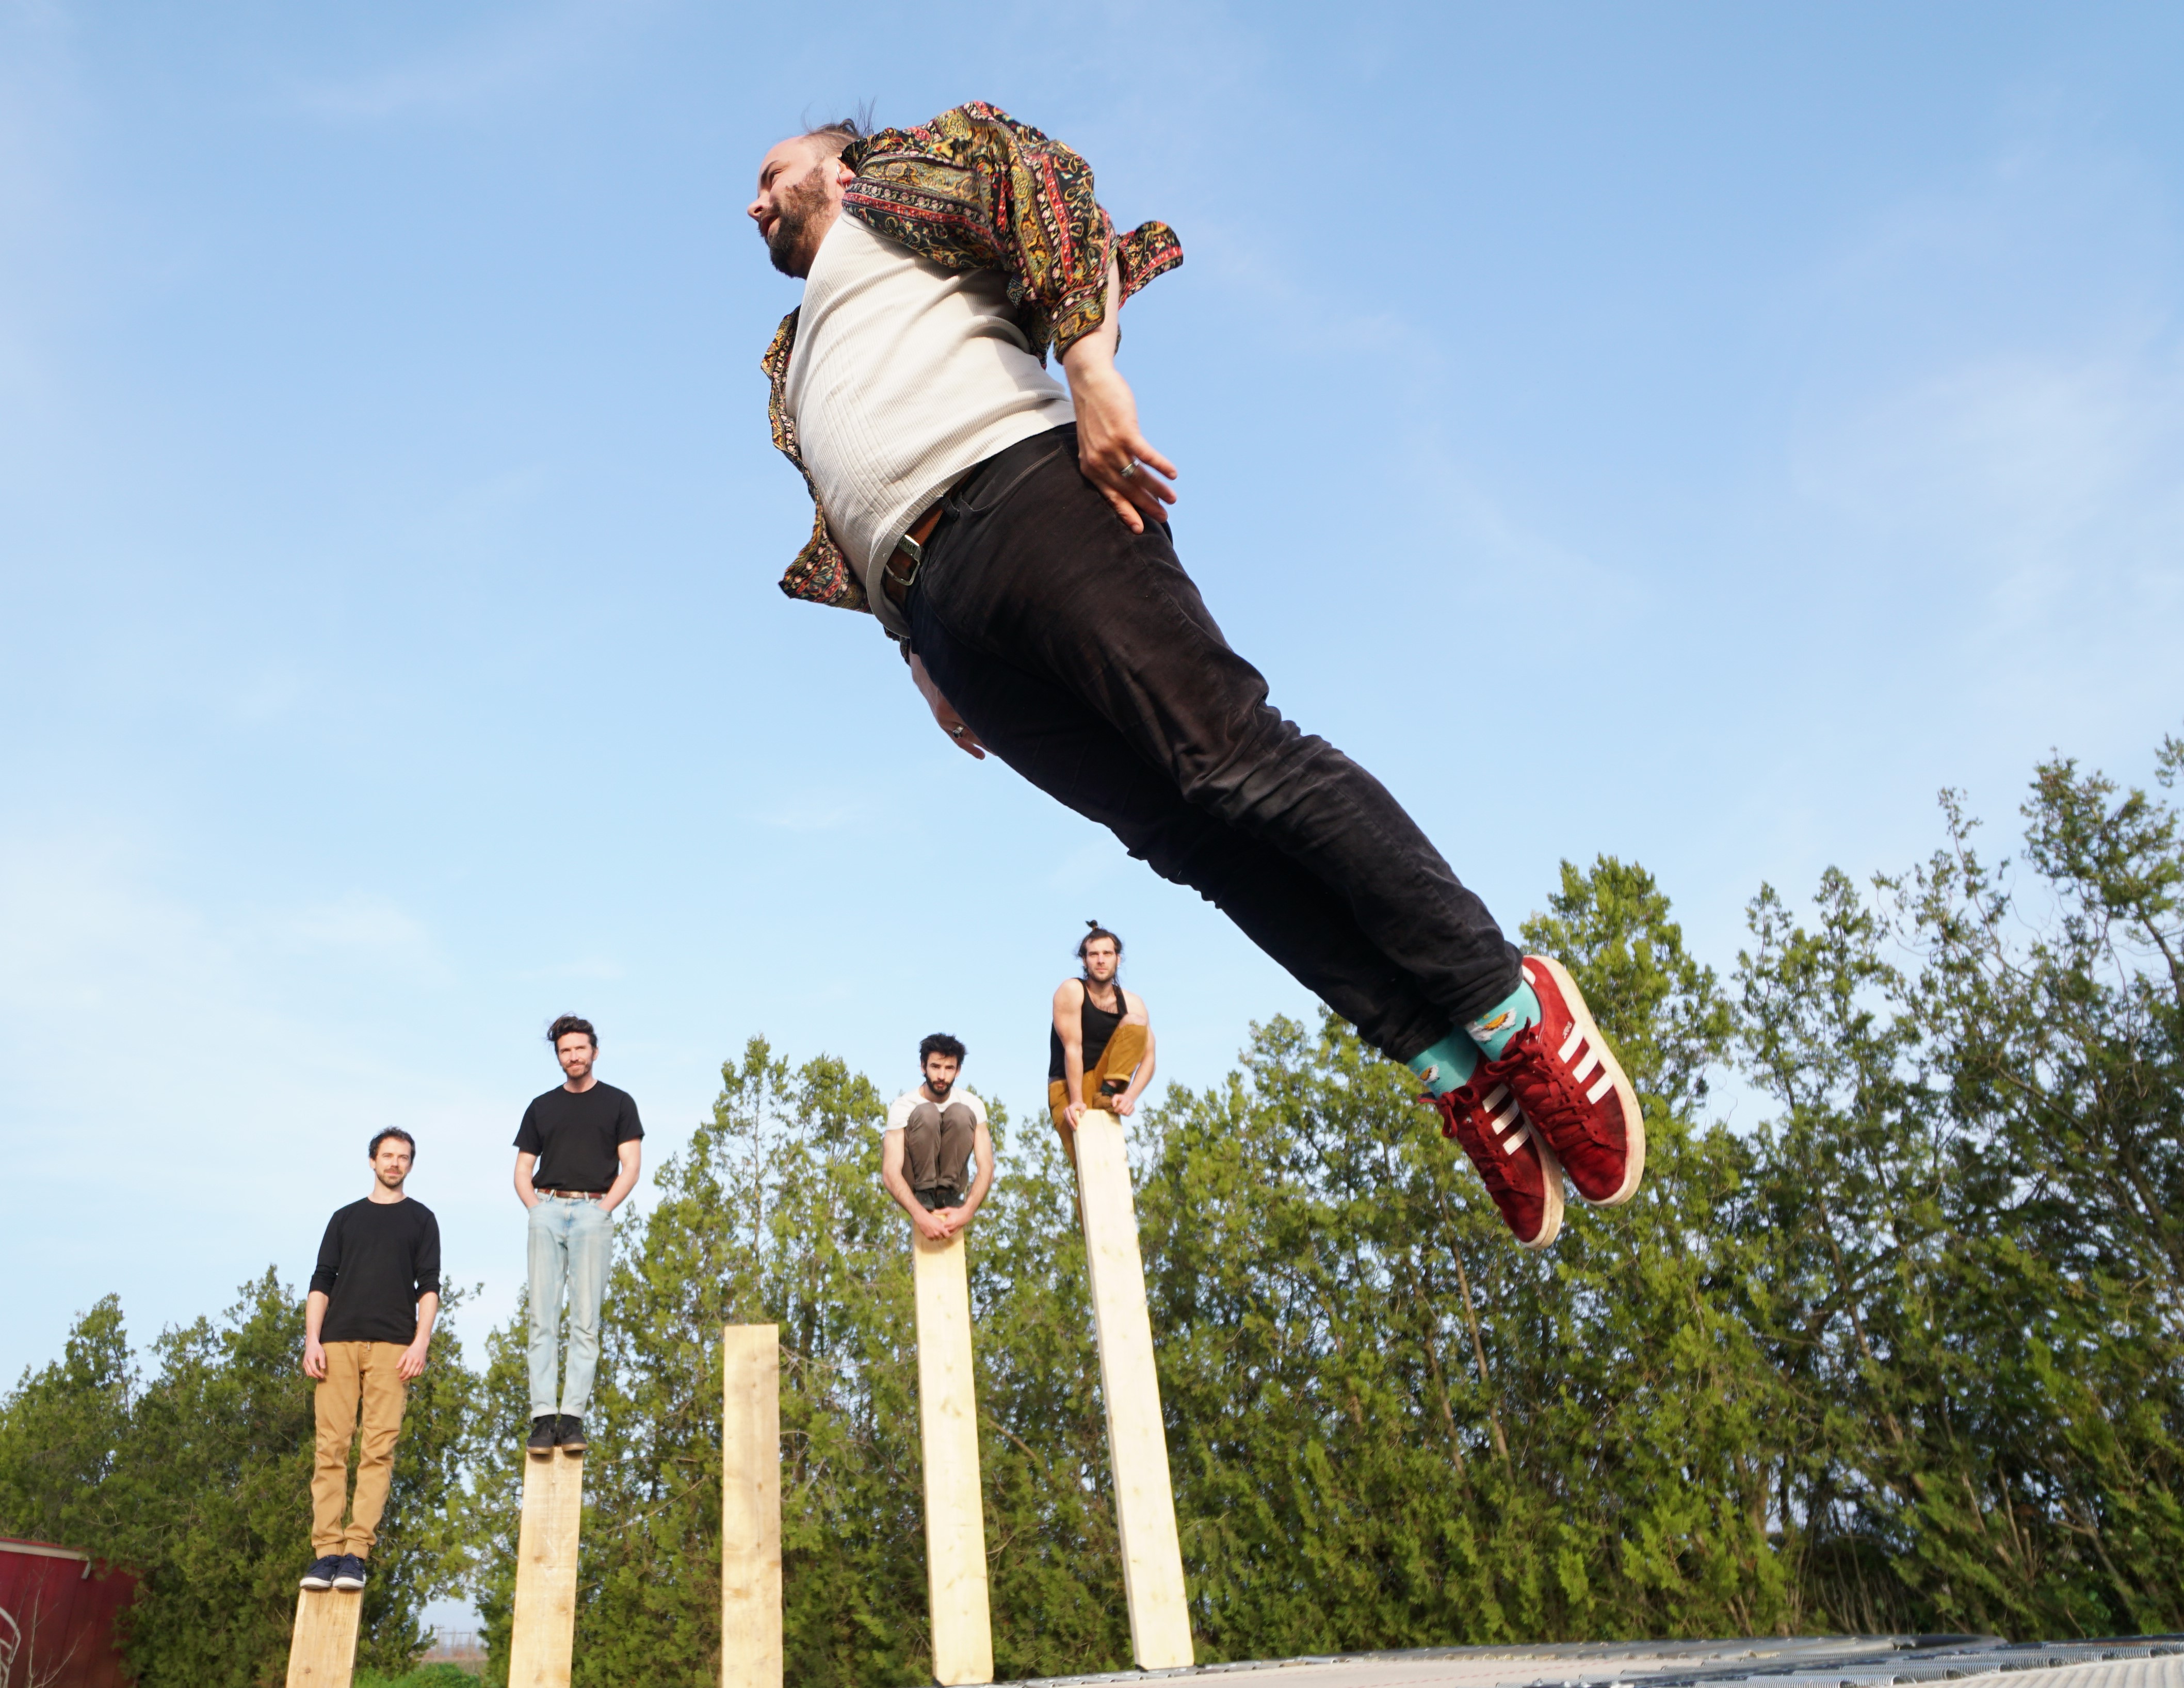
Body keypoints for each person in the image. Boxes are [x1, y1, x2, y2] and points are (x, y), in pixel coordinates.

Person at [746, 105, 1643, 1252]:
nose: (756, 203)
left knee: (1230, 760)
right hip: (939, 607)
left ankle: (1506, 1001)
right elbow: (843, 501)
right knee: (1189, 844)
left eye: (772, 174)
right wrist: (920, 659)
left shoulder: (903, 186)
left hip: (1023, 498)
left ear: (839, 158)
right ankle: (1446, 1062)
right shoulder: (788, 360)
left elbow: (1039, 182)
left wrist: (1091, 370)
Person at [300, 1127, 441, 1594]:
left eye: (403, 1157)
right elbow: (321, 1280)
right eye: (388, 1155)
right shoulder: (345, 1218)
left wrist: (421, 1343)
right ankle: (326, 1556)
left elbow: (429, 1287)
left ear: (410, 1165)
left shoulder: (422, 1220)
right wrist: (311, 1341)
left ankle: (356, 1554)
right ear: (372, 1161)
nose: (395, 1163)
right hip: (336, 1344)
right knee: (331, 1449)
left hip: (393, 1349)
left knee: (377, 1451)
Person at [513, 1014, 642, 1457]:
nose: (574, 1056)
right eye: (566, 1051)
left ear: (595, 1051)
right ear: (559, 1056)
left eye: (580, 1049)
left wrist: (603, 1209)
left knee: (586, 1320)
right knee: (541, 1319)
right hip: (547, 1209)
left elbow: (632, 1166)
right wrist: (536, 1209)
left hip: (593, 1210)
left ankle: (572, 1419)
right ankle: (542, 1417)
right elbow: (522, 1169)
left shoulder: (619, 1103)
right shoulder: (541, 1106)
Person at [1049, 920, 1155, 1167]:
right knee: (1088, 1169)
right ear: (1084, 961)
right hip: (1069, 1084)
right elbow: (1073, 1049)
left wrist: (1130, 1096)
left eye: (1107, 954)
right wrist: (1077, 1101)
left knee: (1136, 1022)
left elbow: (1149, 1058)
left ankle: (1107, 1093)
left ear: (1118, 959)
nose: (1100, 960)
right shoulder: (1072, 990)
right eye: (1093, 954)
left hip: (1103, 1086)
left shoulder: (1132, 1002)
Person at [881, 1033, 996, 1242]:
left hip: (951, 1183)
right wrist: (919, 1214)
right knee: (927, 1113)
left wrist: (968, 1211)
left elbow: (987, 1166)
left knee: (961, 1113)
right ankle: (925, 1194)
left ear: (958, 1071)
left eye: (949, 1068)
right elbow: (890, 1172)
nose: (942, 1076)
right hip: (916, 1183)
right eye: (935, 1067)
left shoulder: (973, 1104)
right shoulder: (903, 1106)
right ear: (923, 1067)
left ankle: (947, 1193)